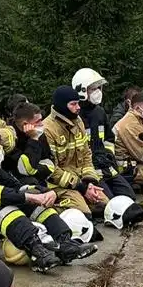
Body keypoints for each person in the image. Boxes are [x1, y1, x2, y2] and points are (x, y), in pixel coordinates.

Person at [0, 129, 95, 270]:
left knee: (34, 203)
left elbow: (17, 187)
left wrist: (43, 193)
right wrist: (27, 197)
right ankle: (37, 252)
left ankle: (66, 244)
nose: (0, 152)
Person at [71, 69, 140, 204]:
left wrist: (108, 155)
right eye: (93, 89)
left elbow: (109, 138)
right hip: (88, 170)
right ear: (82, 90)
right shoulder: (75, 116)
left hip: (106, 166)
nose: (98, 92)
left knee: (130, 197)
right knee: (107, 202)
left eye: (99, 88)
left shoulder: (100, 112)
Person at [43, 87, 111, 219]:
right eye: (73, 104)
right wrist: (81, 187)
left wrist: (90, 183)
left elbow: (86, 155)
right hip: (58, 185)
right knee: (83, 215)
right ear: (62, 106)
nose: (78, 107)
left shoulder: (78, 121)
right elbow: (51, 170)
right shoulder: (48, 129)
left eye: (78, 103)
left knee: (105, 206)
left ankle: (84, 201)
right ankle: (47, 209)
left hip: (80, 181)